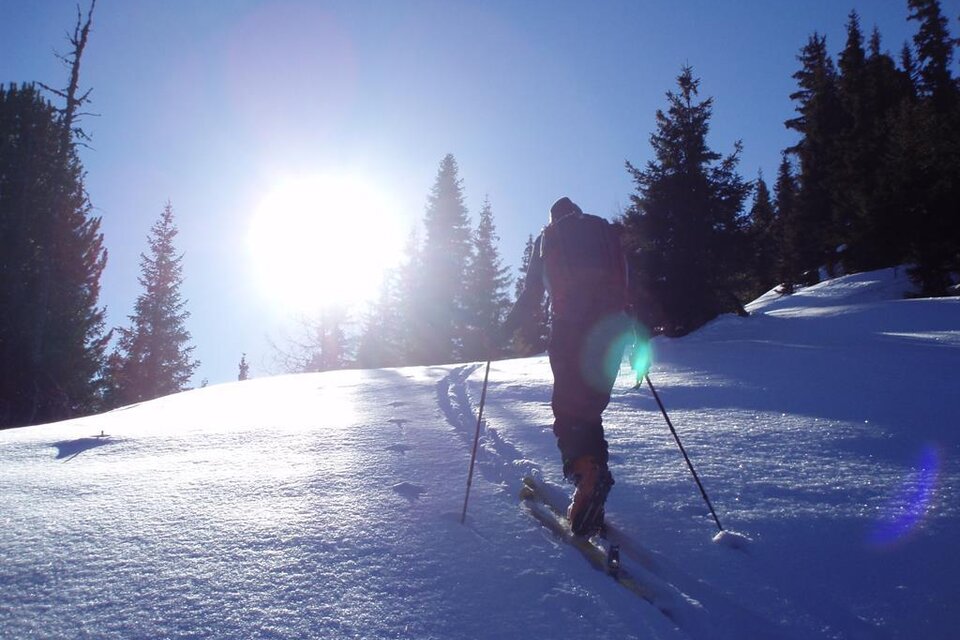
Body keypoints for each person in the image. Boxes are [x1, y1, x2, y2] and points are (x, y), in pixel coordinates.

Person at [501, 196, 638, 537]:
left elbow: (532, 293)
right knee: (589, 413)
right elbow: (630, 288)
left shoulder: (551, 237)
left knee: (567, 411)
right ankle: (591, 486)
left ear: (554, 218)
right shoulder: (606, 236)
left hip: (571, 329)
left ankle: (587, 473)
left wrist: (503, 330)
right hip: (613, 331)